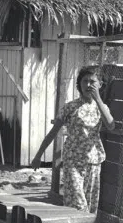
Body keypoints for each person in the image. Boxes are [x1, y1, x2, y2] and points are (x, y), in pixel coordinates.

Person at [31, 66, 115, 213]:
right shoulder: (70, 107)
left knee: (90, 204)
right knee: (77, 203)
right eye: (85, 81)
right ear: (79, 84)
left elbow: (110, 125)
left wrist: (98, 99)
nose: (88, 85)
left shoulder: (101, 107)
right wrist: (38, 155)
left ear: (100, 84)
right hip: (73, 161)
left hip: (94, 162)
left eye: (92, 81)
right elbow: (52, 133)